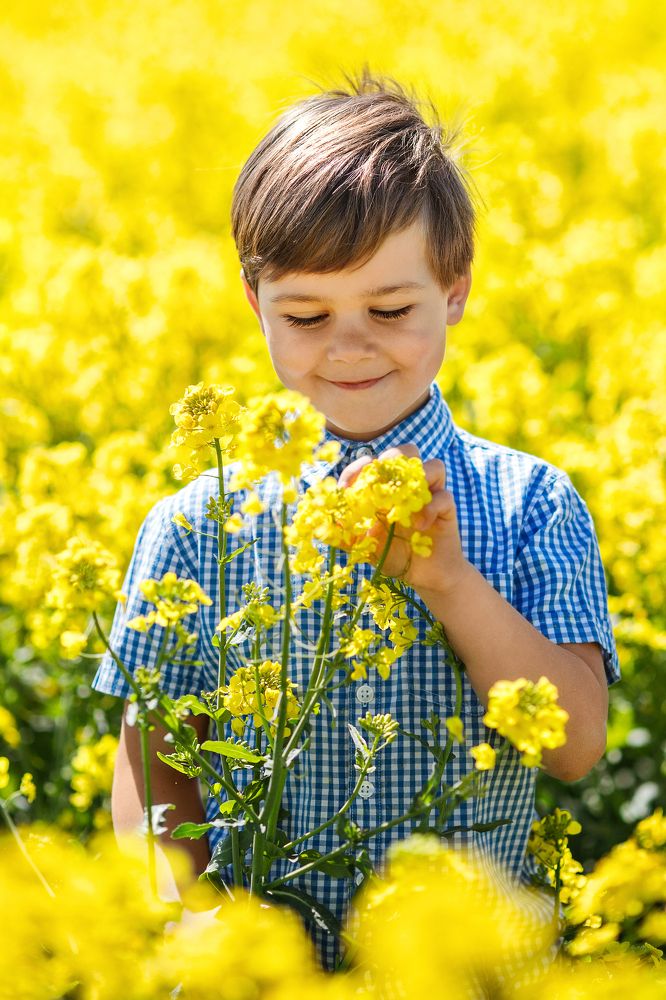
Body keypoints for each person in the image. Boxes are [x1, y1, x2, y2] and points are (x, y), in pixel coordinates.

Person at [93, 67, 620, 972]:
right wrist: (189, 920)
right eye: (306, 314)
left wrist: (450, 580)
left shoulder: (530, 503)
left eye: (390, 309)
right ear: (255, 301)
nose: (349, 345)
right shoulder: (194, 526)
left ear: (454, 289)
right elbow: (153, 766)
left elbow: (575, 745)